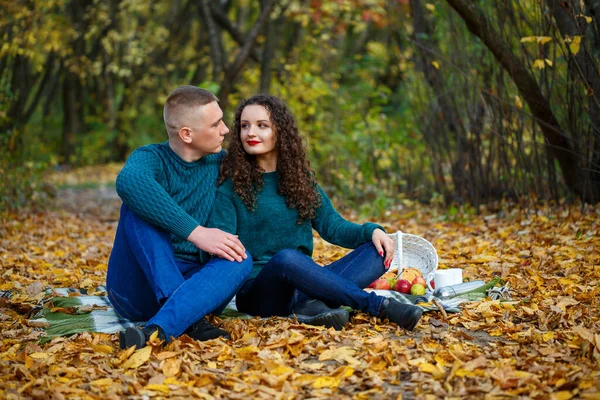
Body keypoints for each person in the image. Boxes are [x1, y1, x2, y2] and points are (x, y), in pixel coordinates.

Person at [208, 94, 423, 331]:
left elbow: (333, 226)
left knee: (378, 252)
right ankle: (378, 305)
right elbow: (222, 243)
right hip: (259, 291)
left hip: (303, 284)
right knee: (286, 258)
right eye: (245, 126)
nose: (251, 133)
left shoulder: (299, 180)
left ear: (280, 131)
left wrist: (372, 231)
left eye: (262, 126)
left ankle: (311, 306)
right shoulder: (232, 185)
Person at [106, 86, 253, 349]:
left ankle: (158, 330)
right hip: (137, 291)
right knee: (136, 208)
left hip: (197, 289)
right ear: (187, 134)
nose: (226, 130)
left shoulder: (225, 164)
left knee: (240, 258)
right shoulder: (151, 158)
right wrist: (196, 233)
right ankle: (186, 318)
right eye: (216, 124)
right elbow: (129, 182)